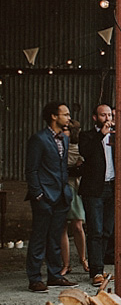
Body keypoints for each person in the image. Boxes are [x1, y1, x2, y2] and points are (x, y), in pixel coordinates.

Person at [25, 101, 75, 292]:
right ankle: (35, 278)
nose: (68, 118)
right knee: (39, 237)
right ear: (54, 116)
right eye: (65, 114)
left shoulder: (64, 139)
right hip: (44, 197)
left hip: (61, 196)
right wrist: (38, 194)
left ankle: (55, 276)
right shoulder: (39, 139)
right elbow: (31, 169)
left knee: (55, 237)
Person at [79, 105, 117, 286]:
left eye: (110, 114)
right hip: (94, 189)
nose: (107, 118)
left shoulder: (116, 136)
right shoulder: (87, 136)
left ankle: (100, 267)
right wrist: (101, 134)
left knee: (107, 230)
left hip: (112, 186)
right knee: (96, 230)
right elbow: (85, 152)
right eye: (103, 115)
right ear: (95, 117)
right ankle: (95, 271)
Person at [60, 119, 87, 277]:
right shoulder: (57, 145)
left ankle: (83, 259)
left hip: (75, 187)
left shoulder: (80, 147)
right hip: (61, 186)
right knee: (62, 226)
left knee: (77, 225)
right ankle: (66, 264)